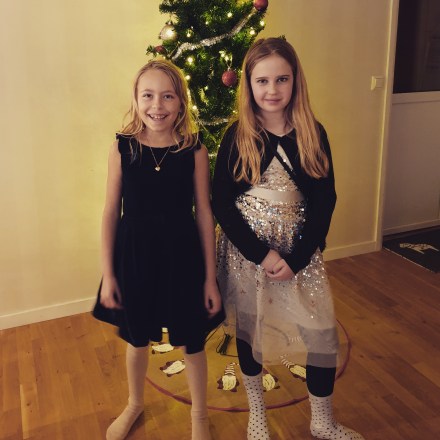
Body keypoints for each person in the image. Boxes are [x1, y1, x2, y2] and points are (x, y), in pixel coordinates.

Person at [212, 38, 364, 440]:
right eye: (262, 81)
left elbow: (325, 200)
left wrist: (296, 258)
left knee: (321, 333)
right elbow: (221, 202)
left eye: (282, 79)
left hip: (300, 252)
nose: (272, 90)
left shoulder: (313, 133)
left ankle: (322, 420)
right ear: (249, 85)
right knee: (249, 331)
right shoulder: (238, 135)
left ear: (296, 80)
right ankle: (257, 414)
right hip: (249, 255)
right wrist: (261, 254)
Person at [93, 59, 223, 440]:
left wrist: (210, 279)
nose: (157, 105)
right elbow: (110, 212)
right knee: (137, 339)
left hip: (184, 261)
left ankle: (199, 415)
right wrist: (109, 275)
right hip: (134, 260)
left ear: (181, 102)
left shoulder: (194, 151)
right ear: (136, 99)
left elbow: (204, 214)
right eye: (148, 95)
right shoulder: (122, 149)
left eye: (168, 96)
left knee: (192, 342)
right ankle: (134, 403)